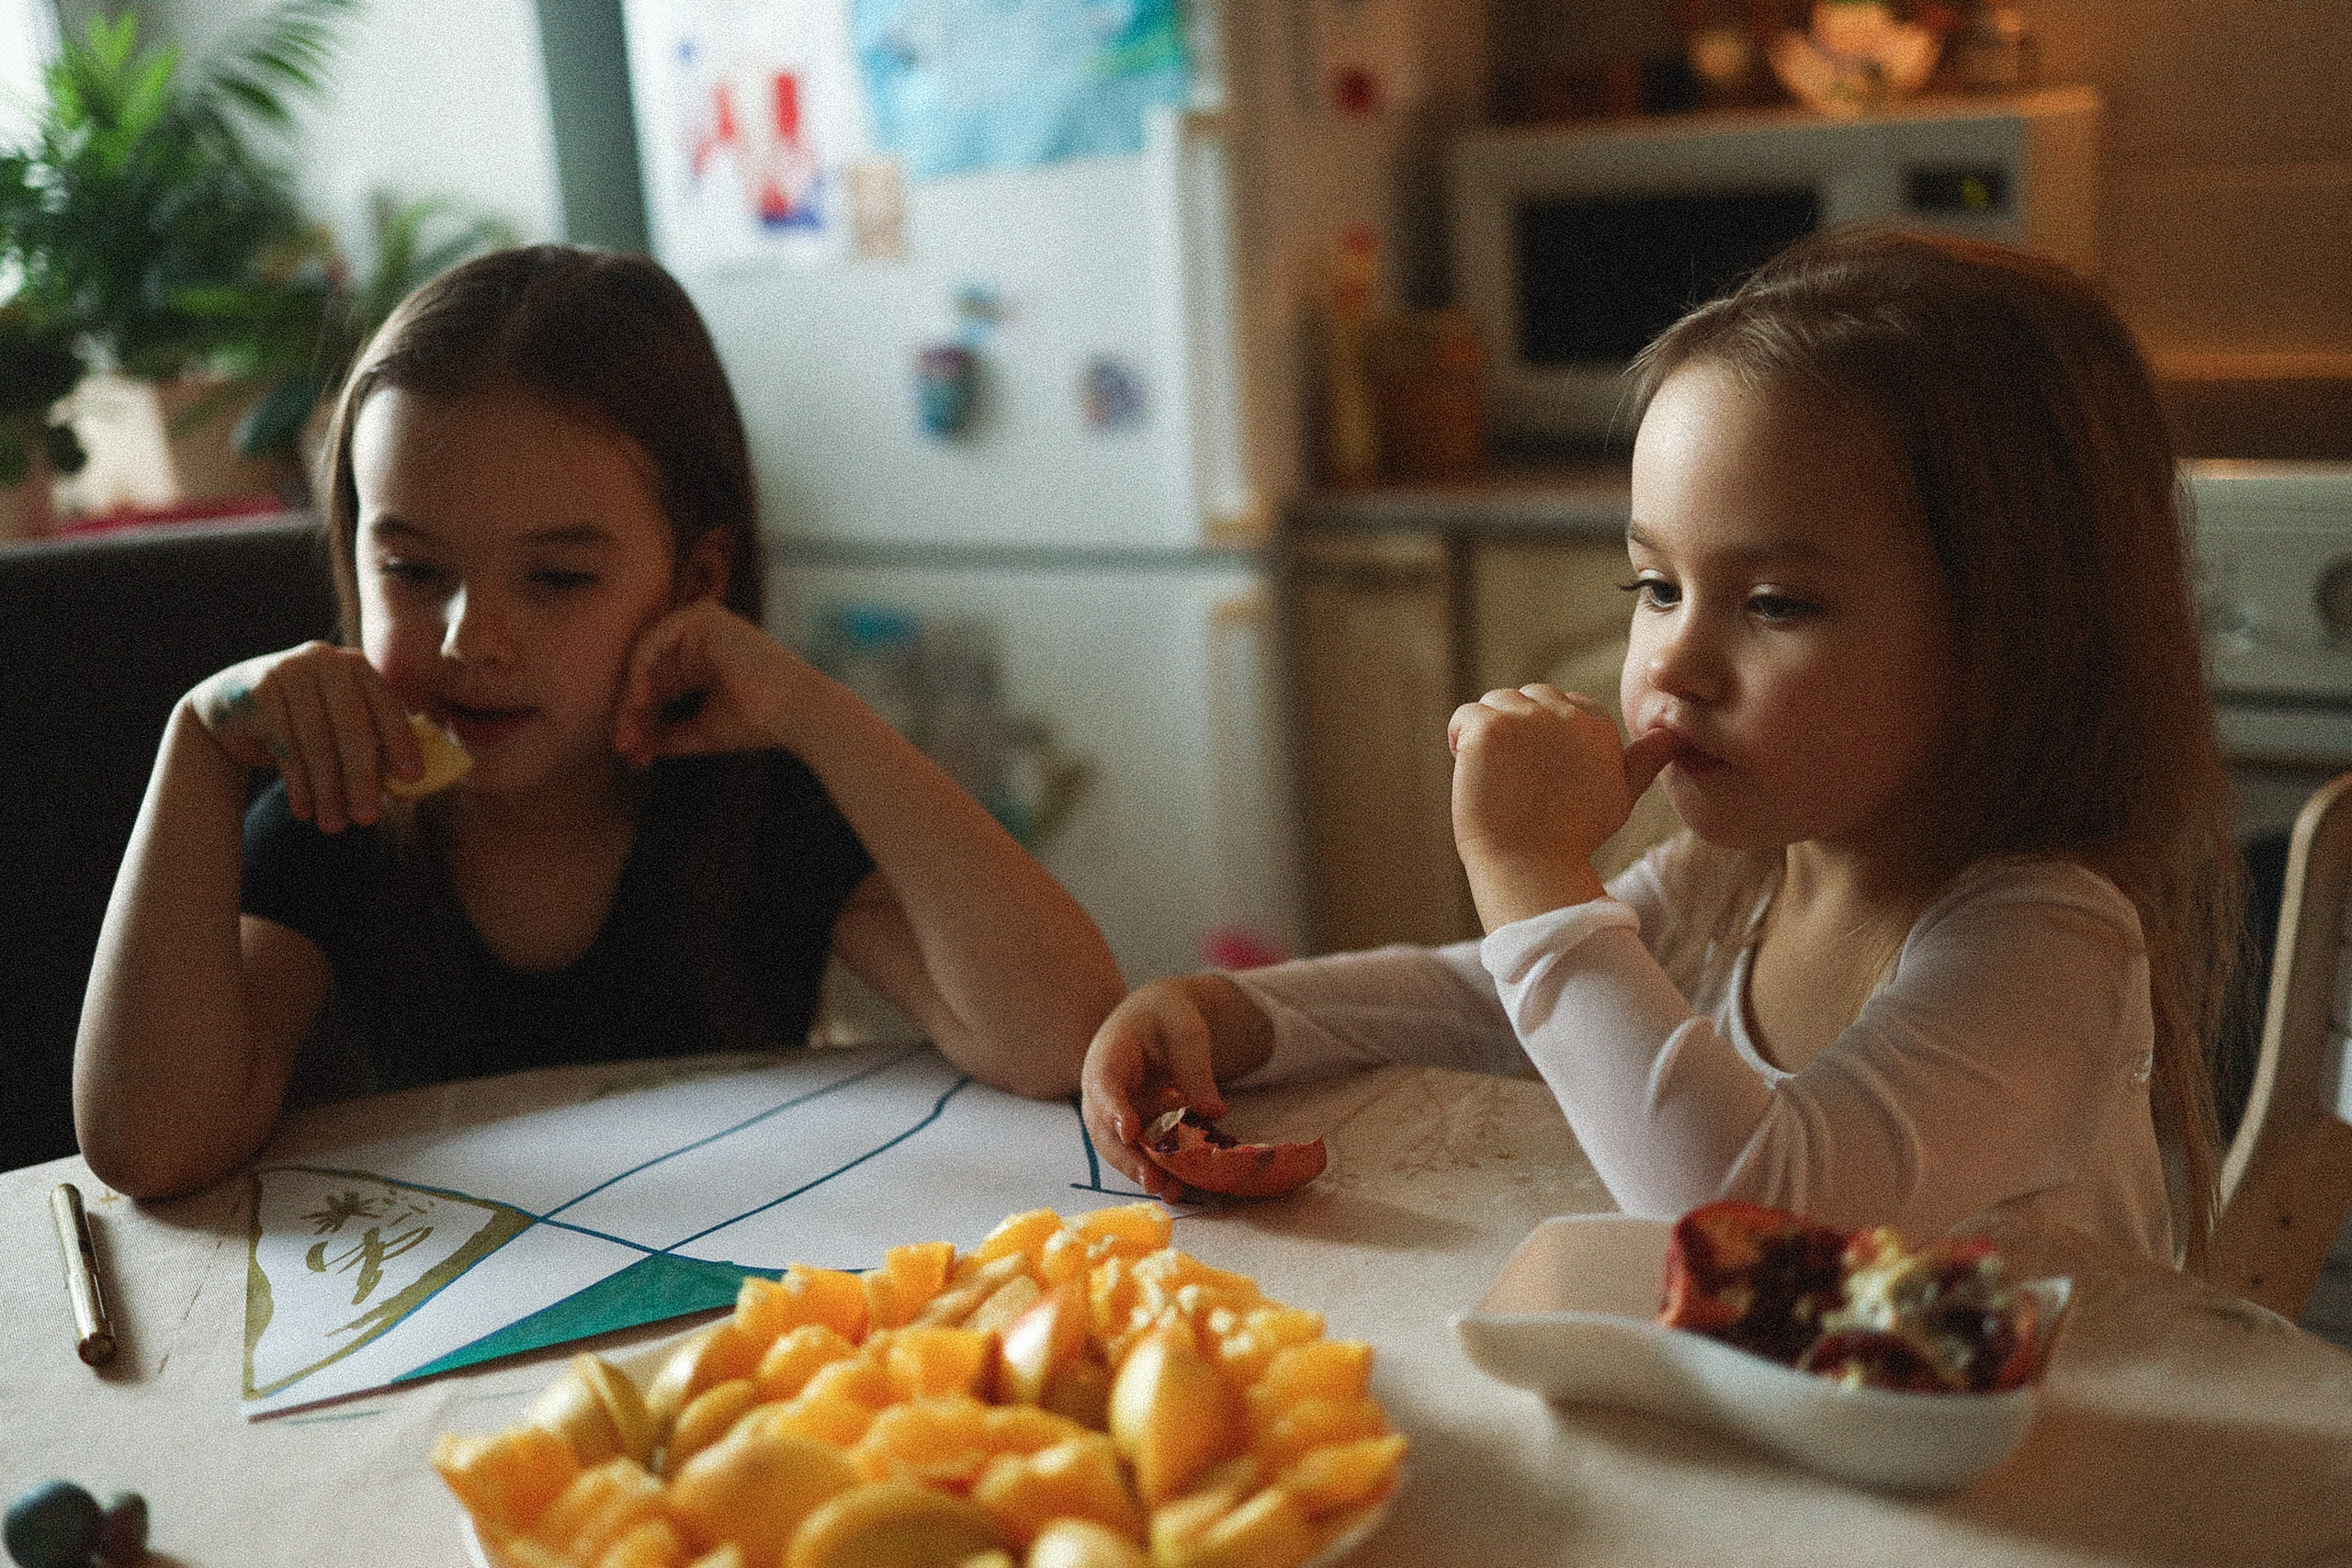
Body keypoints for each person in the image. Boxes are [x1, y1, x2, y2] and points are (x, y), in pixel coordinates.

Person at [1083, 228, 2242, 1268]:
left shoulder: (2043, 944)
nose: (1673, 664)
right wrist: (1232, 1017)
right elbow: (1494, 1004)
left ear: (2013, 636)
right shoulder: (1738, 880)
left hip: (2053, 1444)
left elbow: (1752, 1213)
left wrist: (1532, 873)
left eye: (1775, 604)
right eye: (1656, 586)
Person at [75, 245, 1125, 1200]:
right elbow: (148, 1147)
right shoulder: (335, 823)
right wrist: (197, 746)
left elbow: (1055, 1036)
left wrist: (812, 710)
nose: (472, 639)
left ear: (694, 581)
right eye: (414, 569)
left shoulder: (759, 807)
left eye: (558, 578)